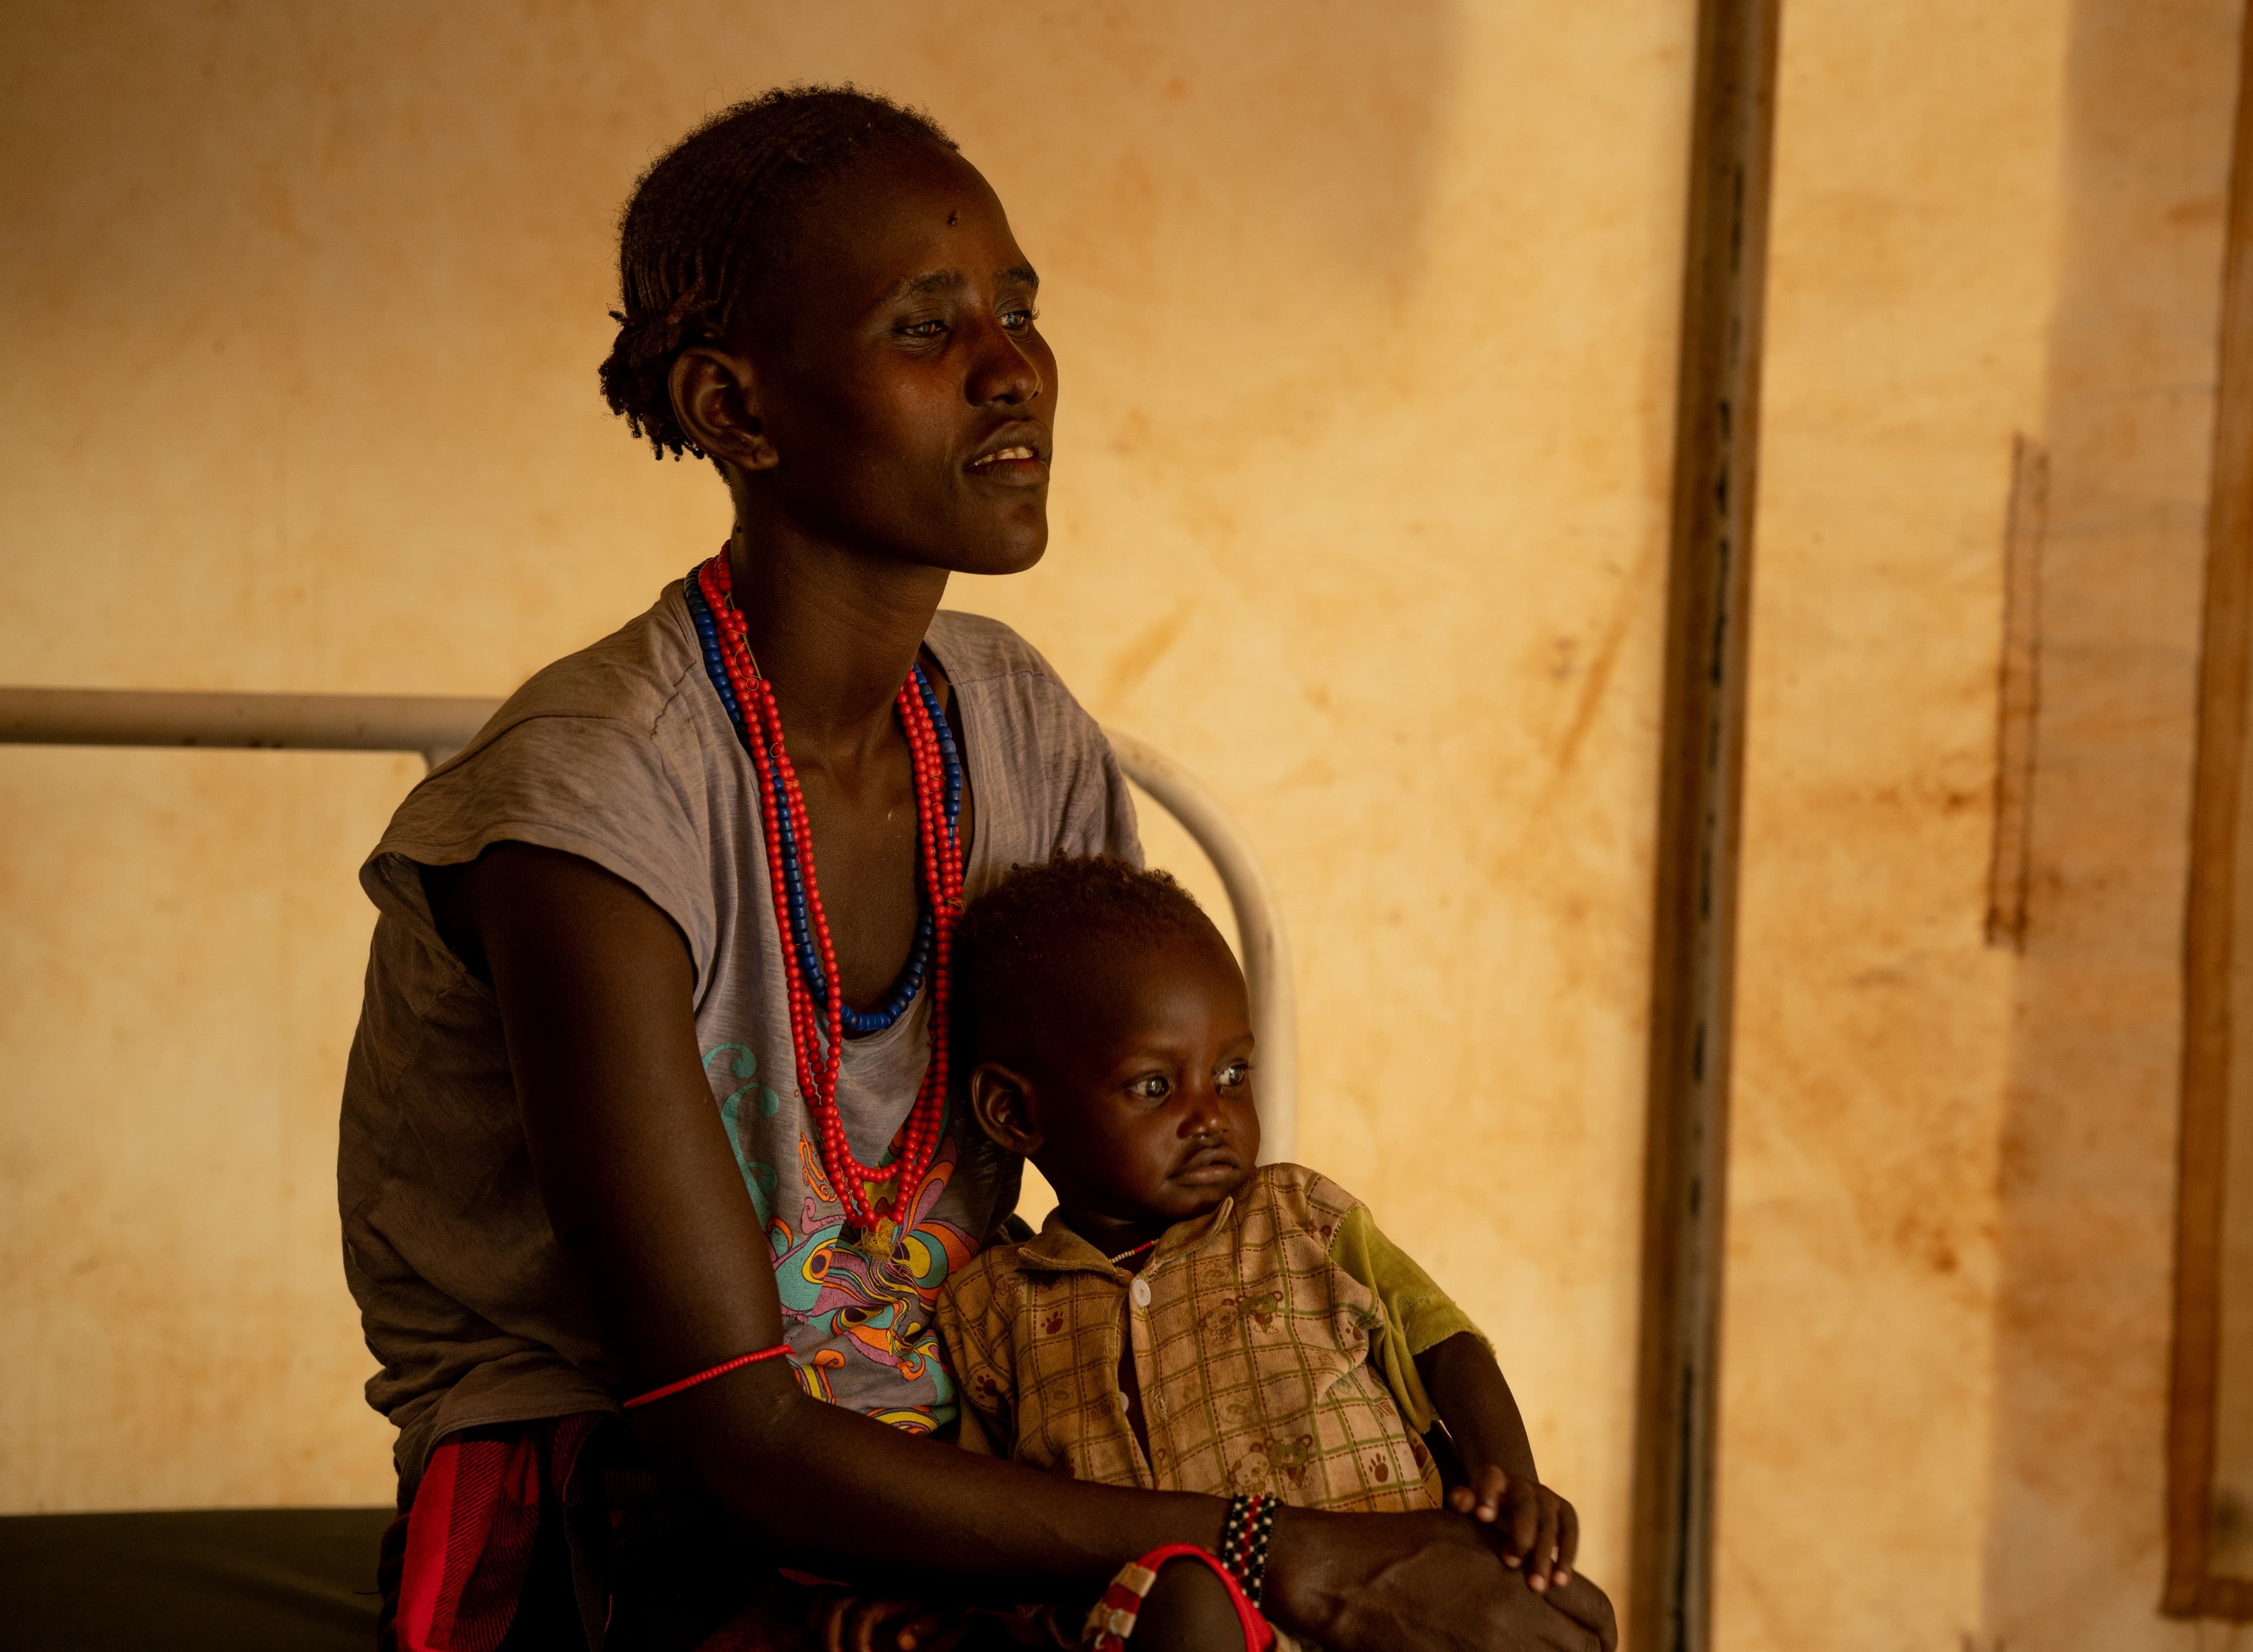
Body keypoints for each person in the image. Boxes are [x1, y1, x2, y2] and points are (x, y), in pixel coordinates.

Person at [339, 84, 1617, 1652]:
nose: (1014, 368)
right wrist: (1302, 1552)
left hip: (968, 1441)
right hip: (632, 1515)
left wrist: (1394, 1488)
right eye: (927, 330)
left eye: (1020, 309)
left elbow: (1148, 1222)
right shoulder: (591, 811)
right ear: (738, 410)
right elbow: (728, 1432)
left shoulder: (1019, 735)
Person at [928, 857, 1580, 1651]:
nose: (1212, 1116)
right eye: (1154, 1086)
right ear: (1014, 1111)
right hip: (1178, 1629)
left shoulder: (1299, 1216)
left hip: (1397, 1616)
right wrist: (937, 1611)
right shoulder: (995, 1306)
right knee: (1188, 1597)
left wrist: (1509, 1483)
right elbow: (991, 1519)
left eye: (1232, 1074)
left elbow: (1444, 1342)